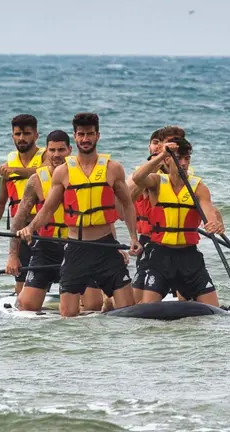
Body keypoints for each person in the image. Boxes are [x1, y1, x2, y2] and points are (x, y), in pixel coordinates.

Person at [17, 112, 141, 317]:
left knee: (128, 311)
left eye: (90, 134)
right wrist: (30, 227)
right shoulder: (63, 172)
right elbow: (47, 210)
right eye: (81, 134)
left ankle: (109, 307)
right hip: (76, 248)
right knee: (68, 315)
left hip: (105, 247)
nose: (85, 139)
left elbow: (128, 205)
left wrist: (133, 238)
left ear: (97, 135)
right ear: (75, 137)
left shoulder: (113, 169)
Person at [131, 137, 224, 306]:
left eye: (187, 159)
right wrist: (162, 155)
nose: (184, 163)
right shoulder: (157, 182)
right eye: (179, 158)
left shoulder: (199, 187)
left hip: (189, 257)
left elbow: (208, 211)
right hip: (160, 256)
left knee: (213, 311)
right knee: (147, 310)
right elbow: (137, 178)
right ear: (168, 160)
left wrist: (213, 223)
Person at [5, 130, 72, 310]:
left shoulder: (79, 176)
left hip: (74, 247)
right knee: (25, 305)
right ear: (46, 151)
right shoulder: (36, 180)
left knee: (93, 304)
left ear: (70, 150)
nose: (56, 155)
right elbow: (19, 219)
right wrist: (13, 255)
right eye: (52, 150)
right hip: (45, 248)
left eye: (61, 150)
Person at [0, 114, 45, 294]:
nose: (21, 138)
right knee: (21, 287)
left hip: (45, 228)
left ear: (36, 135)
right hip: (19, 231)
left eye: (27, 133)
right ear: (12, 136)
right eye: (18, 134)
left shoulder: (46, 157)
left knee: (48, 277)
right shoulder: (7, 167)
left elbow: (47, 171)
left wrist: (15, 170)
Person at [127, 126, 189, 302]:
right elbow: (127, 199)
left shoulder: (185, 173)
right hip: (151, 242)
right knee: (137, 301)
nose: (173, 146)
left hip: (179, 244)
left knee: (185, 298)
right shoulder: (146, 173)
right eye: (168, 142)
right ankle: (112, 301)